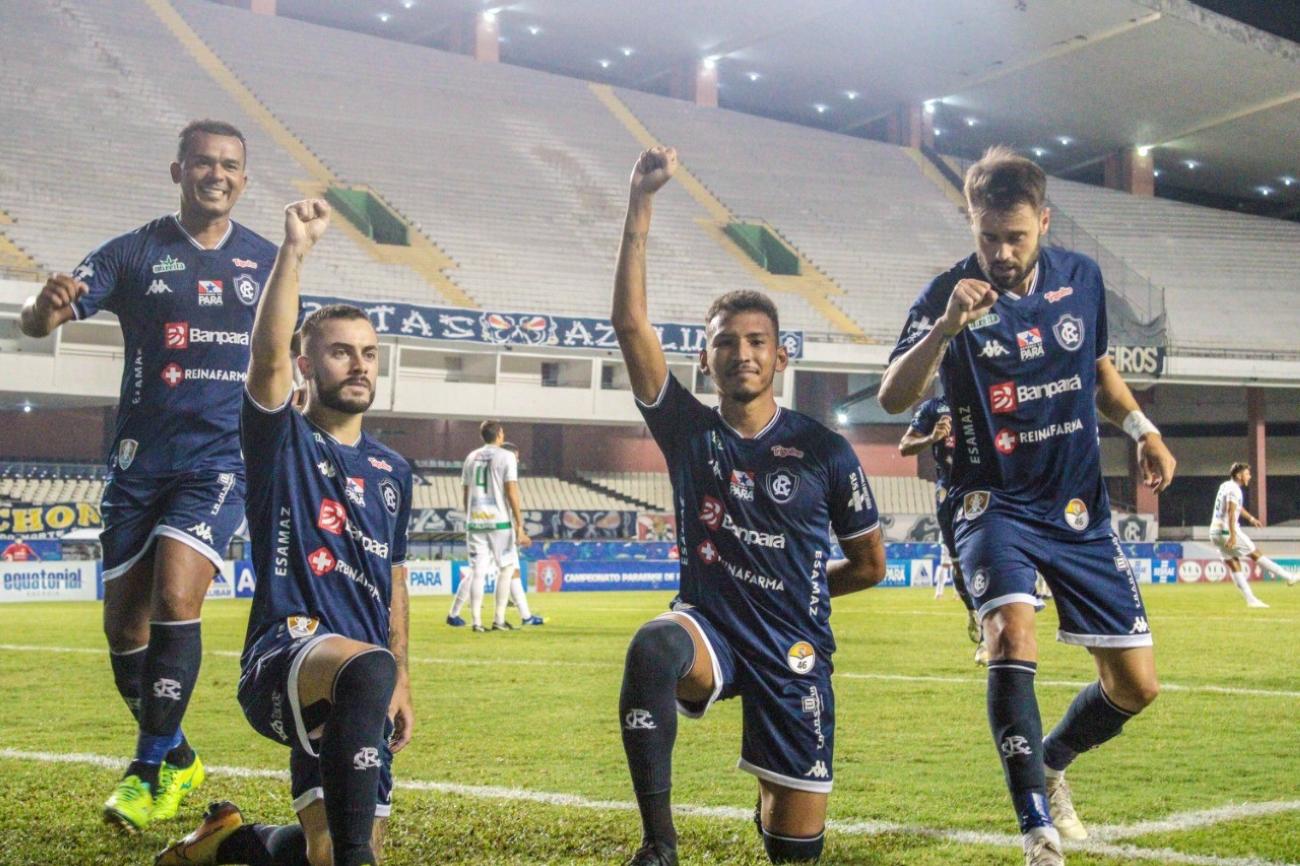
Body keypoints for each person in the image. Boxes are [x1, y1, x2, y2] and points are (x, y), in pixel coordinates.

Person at [878, 146, 1178, 865]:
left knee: (1136, 687)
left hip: (1076, 504)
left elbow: (1098, 369)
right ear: (971, 224)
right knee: (1011, 635)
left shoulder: (1083, 277)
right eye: (989, 238)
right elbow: (893, 396)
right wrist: (945, 327)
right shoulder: (946, 294)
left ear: (1043, 221)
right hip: (993, 501)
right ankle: (1036, 831)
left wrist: (1143, 429)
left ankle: (1049, 760)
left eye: (1017, 237)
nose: (1003, 253)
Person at [612, 146, 887, 866]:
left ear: (781, 358)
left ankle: (770, 805)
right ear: (705, 360)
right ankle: (659, 844)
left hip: (793, 649)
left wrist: (802, 589)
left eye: (757, 342)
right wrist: (641, 202)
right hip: (711, 631)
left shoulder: (825, 451)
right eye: (725, 344)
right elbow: (631, 327)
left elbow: (870, 564)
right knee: (653, 644)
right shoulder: (688, 432)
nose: (742, 354)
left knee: (794, 848)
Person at [18, 119, 275, 831]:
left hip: (222, 461)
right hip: (139, 463)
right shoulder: (134, 252)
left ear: (244, 180)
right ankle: (179, 756)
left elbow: (288, 359)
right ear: (178, 171)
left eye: (229, 165)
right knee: (123, 634)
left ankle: (144, 773)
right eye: (203, 163)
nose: (216, 174)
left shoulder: (268, 262)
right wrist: (43, 308)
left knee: (173, 595)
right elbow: (39, 323)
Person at [157, 200, 414, 866]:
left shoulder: (395, 470)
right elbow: (265, 357)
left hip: (362, 680)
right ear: (306, 365)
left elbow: (394, 581)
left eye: (368, 354)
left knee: (325, 851)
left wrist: (403, 679)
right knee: (365, 675)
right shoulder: (283, 439)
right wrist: (293, 252)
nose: (358, 365)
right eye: (338, 353)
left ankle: (231, 843)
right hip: (288, 653)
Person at [897, 396, 987, 664]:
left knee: (984, 558)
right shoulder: (934, 408)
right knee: (958, 563)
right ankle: (973, 610)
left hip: (983, 489)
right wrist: (931, 437)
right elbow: (905, 446)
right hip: (948, 490)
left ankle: (987, 637)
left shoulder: (985, 395)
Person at [446, 423, 541, 631]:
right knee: (506, 568)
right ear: (499, 434)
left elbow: (465, 491)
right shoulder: (505, 456)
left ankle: (477, 622)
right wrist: (520, 524)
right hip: (499, 521)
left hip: (475, 521)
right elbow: (511, 491)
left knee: (477, 572)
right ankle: (498, 619)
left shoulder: (471, 457)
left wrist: (470, 515)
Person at [1210, 462, 1297, 607]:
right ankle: (1288, 576)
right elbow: (1231, 512)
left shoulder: (1225, 486)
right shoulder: (1235, 490)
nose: (1249, 476)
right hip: (1227, 531)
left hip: (1214, 531)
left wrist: (1251, 518)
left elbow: (1236, 507)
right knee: (1256, 555)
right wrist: (1232, 535)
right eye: (1247, 473)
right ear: (1238, 475)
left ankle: (1251, 600)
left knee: (1233, 563)